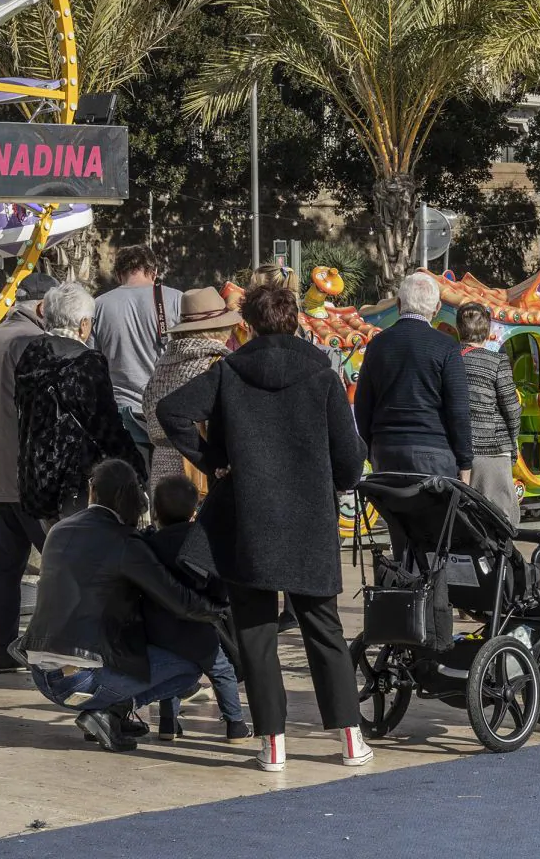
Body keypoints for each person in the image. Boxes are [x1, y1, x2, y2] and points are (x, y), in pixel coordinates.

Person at [157, 283, 368, 772]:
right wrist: (332, 482)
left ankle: (272, 741)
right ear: (295, 319)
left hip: (247, 515)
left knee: (256, 631)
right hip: (310, 517)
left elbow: (173, 412)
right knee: (323, 628)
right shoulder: (322, 373)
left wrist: (215, 463)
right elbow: (349, 457)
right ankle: (350, 738)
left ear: (246, 324)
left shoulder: (229, 371)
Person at [23, 459, 225, 753]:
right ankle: (109, 710)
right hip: (80, 677)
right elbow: (180, 601)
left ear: (92, 492)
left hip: (42, 672)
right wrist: (219, 610)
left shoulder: (59, 531)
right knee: (191, 665)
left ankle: (107, 711)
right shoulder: (125, 542)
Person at [0, 272, 58, 673]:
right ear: (43, 306)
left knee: (5, 572)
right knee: (61, 564)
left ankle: (1, 648)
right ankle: (52, 649)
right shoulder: (31, 341)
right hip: (27, 474)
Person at [15, 282, 143, 521]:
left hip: (36, 477)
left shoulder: (30, 354)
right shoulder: (87, 361)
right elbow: (105, 424)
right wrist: (135, 465)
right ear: (84, 324)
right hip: (74, 481)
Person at [144, 474, 251, 743]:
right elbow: (218, 586)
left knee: (170, 675)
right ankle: (235, 724)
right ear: (194, 510)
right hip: (198, 628)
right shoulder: (200, 542)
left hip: (159, 628)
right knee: (221, 671)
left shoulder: (149, 544)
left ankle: (168, 724)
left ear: (155, 512)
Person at [354, 271, 472, 481]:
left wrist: (372, 446)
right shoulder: (447, 347)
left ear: (399, 304)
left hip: (386, 449)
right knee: (435, 514)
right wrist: (465, 462)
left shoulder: (377, 345)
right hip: (434, 452)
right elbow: (458, 410)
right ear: (436, 309)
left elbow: (363, 404)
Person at [90, 246, 183, 476]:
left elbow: (93, 362)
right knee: (167, 496)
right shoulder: (176, 299)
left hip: (122, 413)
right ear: (154, 271)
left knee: (128, 493)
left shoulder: (99, 305)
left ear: (119, 274)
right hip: (167, 413)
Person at [139, 287, 242, 485]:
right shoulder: (217, 365)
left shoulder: (163, 364)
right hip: (201, 470)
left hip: (161, 470)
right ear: (221, 328)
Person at [455, 302, 522, 526]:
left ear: (458, 329)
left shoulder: (449, 359)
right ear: (488, 330)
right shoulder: (496, 361)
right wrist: (513, 441)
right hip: (493, 449)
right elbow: (511, 408)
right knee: (500, 517)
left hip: (457, 449)